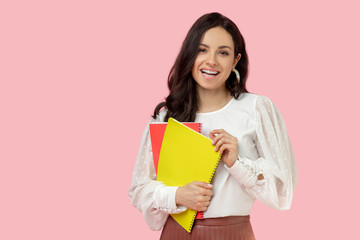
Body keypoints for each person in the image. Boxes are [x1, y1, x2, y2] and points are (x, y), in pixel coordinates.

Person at [128, 12, 297, 240]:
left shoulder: (257, 109)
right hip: (176, 233)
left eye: (223, 53)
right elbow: (139, 189)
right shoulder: (167, 116)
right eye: (202, 50)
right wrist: (177, 196)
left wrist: (237, 164)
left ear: (235, 60)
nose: (212, 61)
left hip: (233, 233)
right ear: (190, 54)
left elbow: (282, 192)